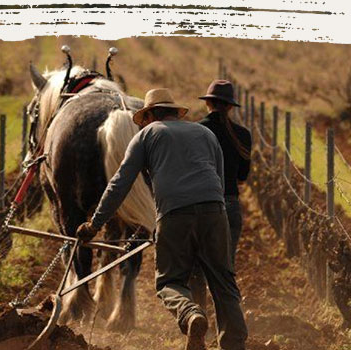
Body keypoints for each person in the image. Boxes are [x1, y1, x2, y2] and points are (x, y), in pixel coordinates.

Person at [76, 88, 248, 350]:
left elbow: (120, 184)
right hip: (215, 211)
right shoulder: (205, 133)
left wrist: (94, 224)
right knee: (224, 282)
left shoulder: (147, 135)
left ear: (150, 115)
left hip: (174, 213)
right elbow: (220, 179)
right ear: (174, 112)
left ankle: (191, 314)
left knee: (169, 281)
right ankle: (234, 345)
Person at [199, 80, 252, 267]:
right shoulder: (243, 135)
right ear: (230, 106)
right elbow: (243, 176)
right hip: (229, 204)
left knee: (198, 268)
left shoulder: (197, 131)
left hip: (200, 205)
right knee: (225, 267)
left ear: (207, 103)